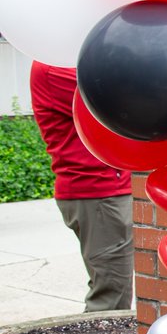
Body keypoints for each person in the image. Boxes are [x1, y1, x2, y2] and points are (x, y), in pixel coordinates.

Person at [29, 61, 133, 311]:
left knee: (113, 286)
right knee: (111, 294)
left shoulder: (64, 64)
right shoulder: (55, 67)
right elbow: (116, 100)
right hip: (97, 192)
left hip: (103, 190)